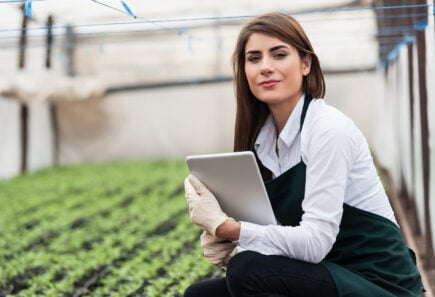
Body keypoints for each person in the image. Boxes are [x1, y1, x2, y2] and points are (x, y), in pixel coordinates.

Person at [183, 12, 423, 297]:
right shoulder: (262, 142)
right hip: (328, 272)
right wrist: (228, 247)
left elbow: (314, 243)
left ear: (306, 63)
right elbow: (279, 238)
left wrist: (230, 229)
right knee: (201, 294)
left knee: (249, 270)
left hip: (378, 283)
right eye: (254, 58)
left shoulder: (327, 129)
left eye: (279, 54)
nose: (265, 67)